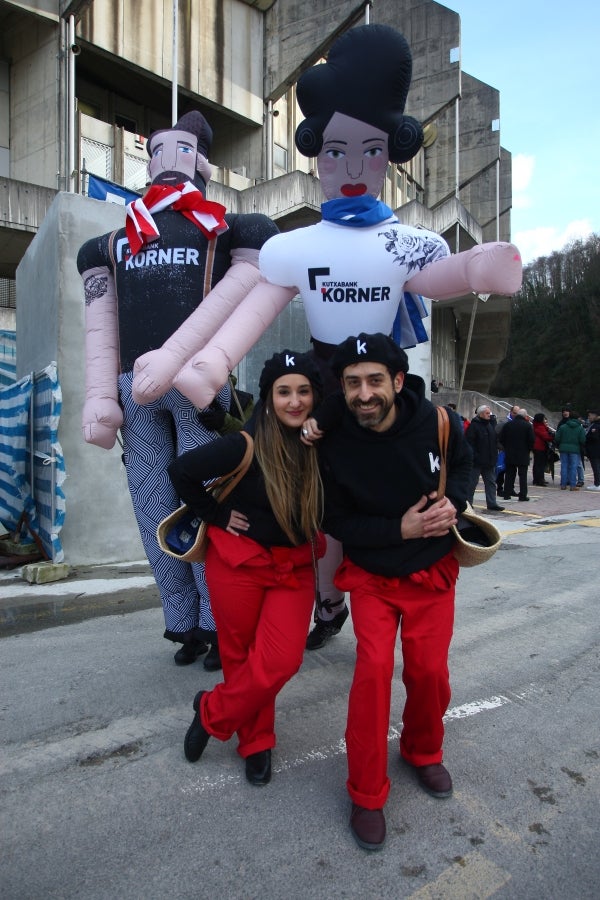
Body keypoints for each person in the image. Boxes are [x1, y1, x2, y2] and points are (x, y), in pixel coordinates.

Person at [151, 25, 520, 652]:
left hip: (381, 387)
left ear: (390, 157)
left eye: (371, 152)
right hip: (321, 388)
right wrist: (208, 363)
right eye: (335, 153)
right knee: (311, 500)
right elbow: (251, 307)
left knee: (376, 493)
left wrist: (482, 265)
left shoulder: (408, 242)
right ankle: (323, 601)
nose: (352, 169)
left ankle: (362, 594)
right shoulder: (295, 247)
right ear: (316, 155)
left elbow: (444, 274)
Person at [77, 110, 278, 668]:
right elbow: (100, 326)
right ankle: (183, 621)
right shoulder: (111, 244)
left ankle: (214, 620)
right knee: (154, 507)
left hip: (194, 388)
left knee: (204, 505)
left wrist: (190, 361)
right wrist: (100, 395)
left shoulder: (230, 229)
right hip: (138, 389)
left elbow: (246, 290)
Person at [312, 332, 471, 851]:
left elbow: (464, 466)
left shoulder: (438, 421)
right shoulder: (332, 442)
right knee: (374, 674)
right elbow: (334, 518)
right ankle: (366, 791)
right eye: (353, 383)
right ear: (342, 388)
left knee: (429, 673)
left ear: (398, 381)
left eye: (375, 380)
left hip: (431, 572)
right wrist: (397, 530)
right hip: (373, 575)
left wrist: (458, 503)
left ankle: (423, 752)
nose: (364, 393)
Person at [168, 351, 325, 785]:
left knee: (280, 660)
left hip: (293, 568)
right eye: (284, 392)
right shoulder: (244, 444)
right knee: (240, 657)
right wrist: (214, 515)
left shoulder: (323, 445)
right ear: (270, 398)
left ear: (316, 397)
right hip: (238, 564)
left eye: (303, 391)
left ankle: (211, 712)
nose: (294, 401)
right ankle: (257, 741)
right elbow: (180, 469)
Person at [464, 405, 504, 510]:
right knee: (472, 483)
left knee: (491, 483)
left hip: (489, 461)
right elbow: (469, 444)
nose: (489, 415)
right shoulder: (474, 426)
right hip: (477, 461)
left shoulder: (490, 426)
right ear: (481, 414)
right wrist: (475, 457)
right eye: (487, 413)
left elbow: (494, 442)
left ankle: (492, 503)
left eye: (489, 413)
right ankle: (468, 503)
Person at [500, 409, 534, 501]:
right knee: (523, 476)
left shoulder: (508, 425)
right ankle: (522, 495)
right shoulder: (527, 426)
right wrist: (529, 449)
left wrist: (507, 447)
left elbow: (502, 438)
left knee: (509, 474)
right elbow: (531, 440)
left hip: (510, 453)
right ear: (525, 416)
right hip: (523, 454)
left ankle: (507, 493)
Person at [555, 409, 587, 490]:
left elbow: (557, 438)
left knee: (564, 466)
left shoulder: (563, 426)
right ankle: (573, 485)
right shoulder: (580, 428)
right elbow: (583, 440)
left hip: (563, 449)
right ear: (577, 418)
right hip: (575, 449)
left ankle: (563, 484)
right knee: (573, 466)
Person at [531, 413, 555, 486]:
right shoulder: (540, 427)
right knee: (540, 465)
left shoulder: (536, 426)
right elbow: (546, 437)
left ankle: (536, 479)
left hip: (537, 447)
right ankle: (539, 480)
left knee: (537, 464)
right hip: (540, 447)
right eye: (544, 418)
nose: (545, 420)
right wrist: (552, 437)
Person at [584, 408, 600, 490]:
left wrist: (586, 437)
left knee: (596, 467)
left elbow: (594, 438)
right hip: (595, 450)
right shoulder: (594, 425)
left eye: (590, 415)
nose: (588, 417)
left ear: (595, 415)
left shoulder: (596, 426)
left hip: (595, 451)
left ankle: (597, 484)